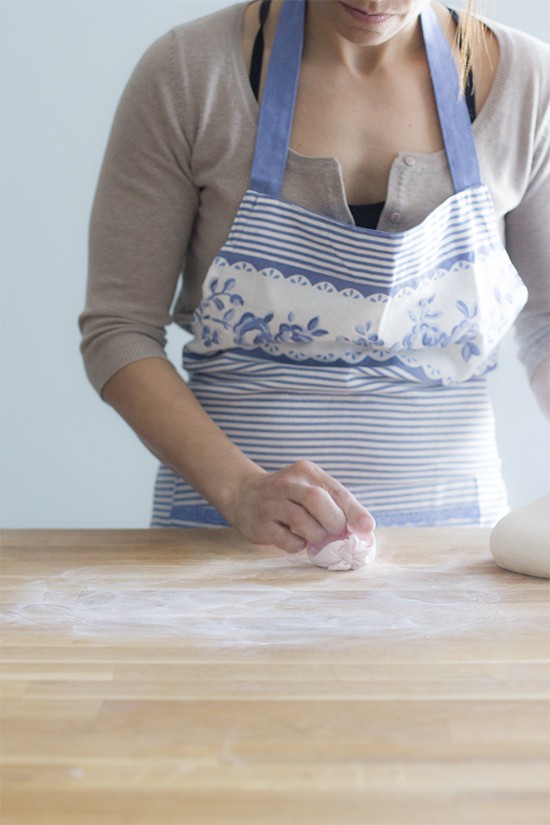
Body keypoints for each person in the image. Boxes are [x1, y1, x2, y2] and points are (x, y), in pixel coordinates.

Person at [80, 0, 550, 553]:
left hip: (457, 543)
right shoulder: (190, 73)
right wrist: (240, 489)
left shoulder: (527, 82)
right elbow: (119, 330)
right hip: (226, 545)